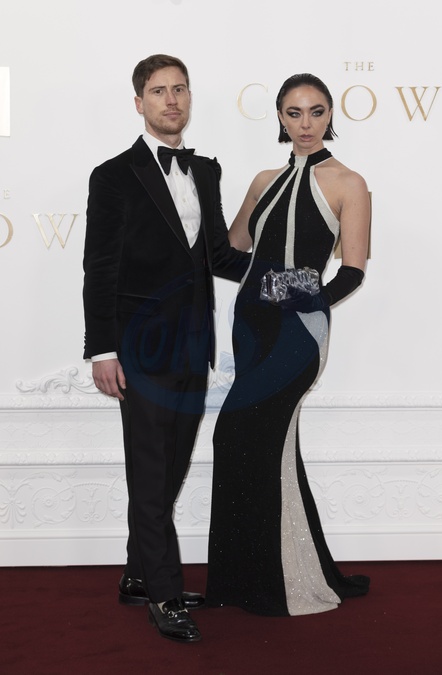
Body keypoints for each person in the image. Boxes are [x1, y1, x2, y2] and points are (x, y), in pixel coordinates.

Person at [82, 54, 249, 642]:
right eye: (158, 91)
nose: (171, 99)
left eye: (179, 89)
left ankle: (137, 575)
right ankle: (164, 594)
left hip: (194, 345)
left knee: (170, 468)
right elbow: (100, 267)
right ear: (139, 103)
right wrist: (102, 350)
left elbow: (219, 257)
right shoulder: (113, 175)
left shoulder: (206, 170)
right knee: (151, 474)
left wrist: (284, 272)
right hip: (139, 350)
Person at [206, 73, 371, 616]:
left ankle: (273, 583)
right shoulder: (263, 180)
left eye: (316, 111)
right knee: (263, 446)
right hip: (250, 327)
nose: (305, 124)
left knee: (238, 434)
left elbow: (352, 272)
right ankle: (254, 576)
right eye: (294, 113)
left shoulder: (348, 182)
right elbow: (230, 255)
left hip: (299, 333)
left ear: (330, 115)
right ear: (279, 116)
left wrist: (296, 293)